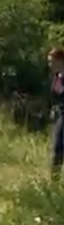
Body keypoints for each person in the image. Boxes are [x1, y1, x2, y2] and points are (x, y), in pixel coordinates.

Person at [49, 47, 64, 175]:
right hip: (60, 116)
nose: (50, 65)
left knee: (58, 147)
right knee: (57, 147)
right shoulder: (57, 76)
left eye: (52, 61)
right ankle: (55, 179)